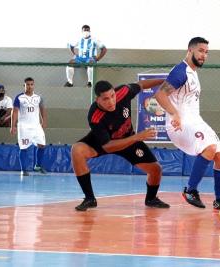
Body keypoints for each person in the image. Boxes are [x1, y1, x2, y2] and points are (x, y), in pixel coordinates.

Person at [72, 79, 170, 211]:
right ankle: (89, 199)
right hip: (104, 142)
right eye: (106, 99)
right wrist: (138, 137)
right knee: (77, 150)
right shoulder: (95, 116)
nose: (111, 101)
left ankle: (151, 199)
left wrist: (165, 80)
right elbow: (107, 146)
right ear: (97, 100)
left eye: (112, 96)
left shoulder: (124, 91)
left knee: (156, 170)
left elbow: (141, 85)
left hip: (128, 139)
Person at [155, 37, 220, 210]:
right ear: (190, 50)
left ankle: (219, 201)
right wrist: (174, 114)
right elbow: (160, 95)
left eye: (206, 52)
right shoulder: (181, 71)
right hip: (179, 124)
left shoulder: (193, 72)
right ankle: (190, 190)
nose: (204, 55)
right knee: (209, 148)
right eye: (201, 51)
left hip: (195, 121)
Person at [10, 77, 47, 176]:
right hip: (24, 127)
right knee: (24, 148)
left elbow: (42, 109)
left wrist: (44, 121)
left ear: (33, 85)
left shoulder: (38, 98)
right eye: (28, 84)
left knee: (42, 145)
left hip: (36, 126)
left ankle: (37, 166)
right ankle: (23, 170)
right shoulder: (19, 98)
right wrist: (12, 126)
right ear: (24, 86)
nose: (30, 86)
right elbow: (14, 112)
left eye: (31, 84)